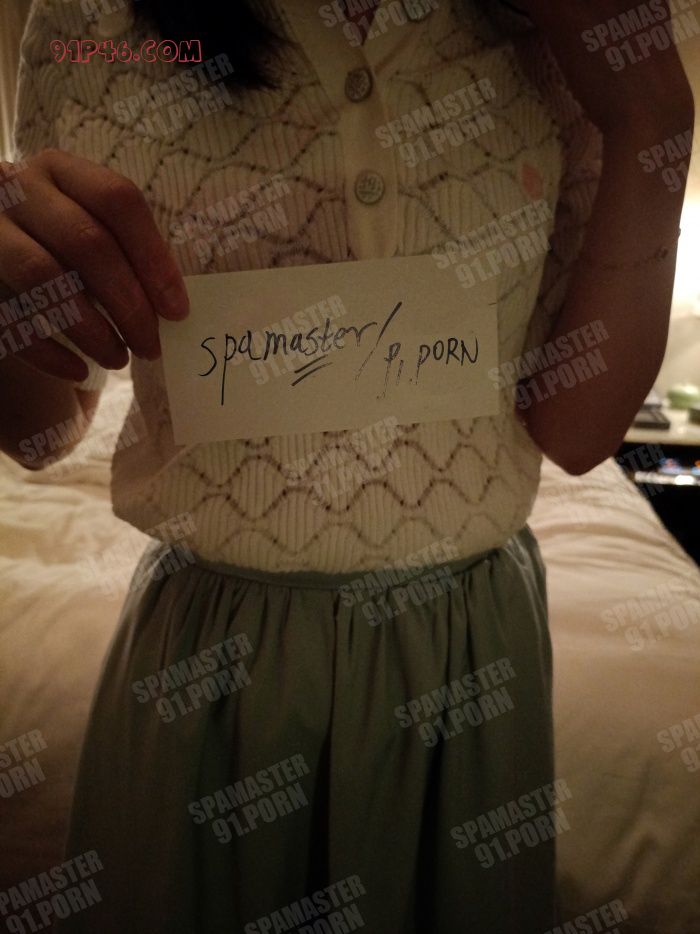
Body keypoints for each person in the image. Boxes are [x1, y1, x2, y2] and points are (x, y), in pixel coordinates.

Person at [0, 0, 692, 931]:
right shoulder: (90, 26)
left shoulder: (563, 24)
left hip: (471, 655)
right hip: (208, 661)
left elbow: (578, 432)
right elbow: (41, 433)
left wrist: (655, 119)